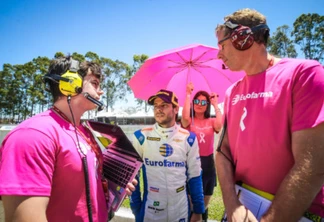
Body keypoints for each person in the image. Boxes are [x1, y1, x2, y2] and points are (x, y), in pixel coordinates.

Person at [215, 8, 324, 222]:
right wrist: (232, 206)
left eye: (222, 44)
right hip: (241, 208)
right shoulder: (232, 92)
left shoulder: (305, 74)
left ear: (243, 38)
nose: (219, 53)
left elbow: (312, 166)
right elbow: (222, 153)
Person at [0, 56, 136, 222]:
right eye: (94, 83)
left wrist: (110, 186)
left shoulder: (84, 131)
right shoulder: (33, 135)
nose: (101, 91)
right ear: (71, 83)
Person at [130, 89, 205, 222]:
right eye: (156, 106)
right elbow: (132, 175)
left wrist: (198, 210)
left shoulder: (189, 138)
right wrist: (136, 208)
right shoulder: (141, 136)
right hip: (150, 210)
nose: (158, 109)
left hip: (181, 209)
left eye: (164, 105)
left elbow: (195, 176)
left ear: (176, 109)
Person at [181, 82, 222, 221]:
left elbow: (219, 125)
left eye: (203, 102)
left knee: (204, 207)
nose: (200, 104)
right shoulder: (189, 122)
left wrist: (216, 104)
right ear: (193, 103)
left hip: (208, 165)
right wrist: (188, 94)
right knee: (193, 207)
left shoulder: (211, 121)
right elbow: (185, 119)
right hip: (192, 164)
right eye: (197, 101)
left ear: (207, 105)